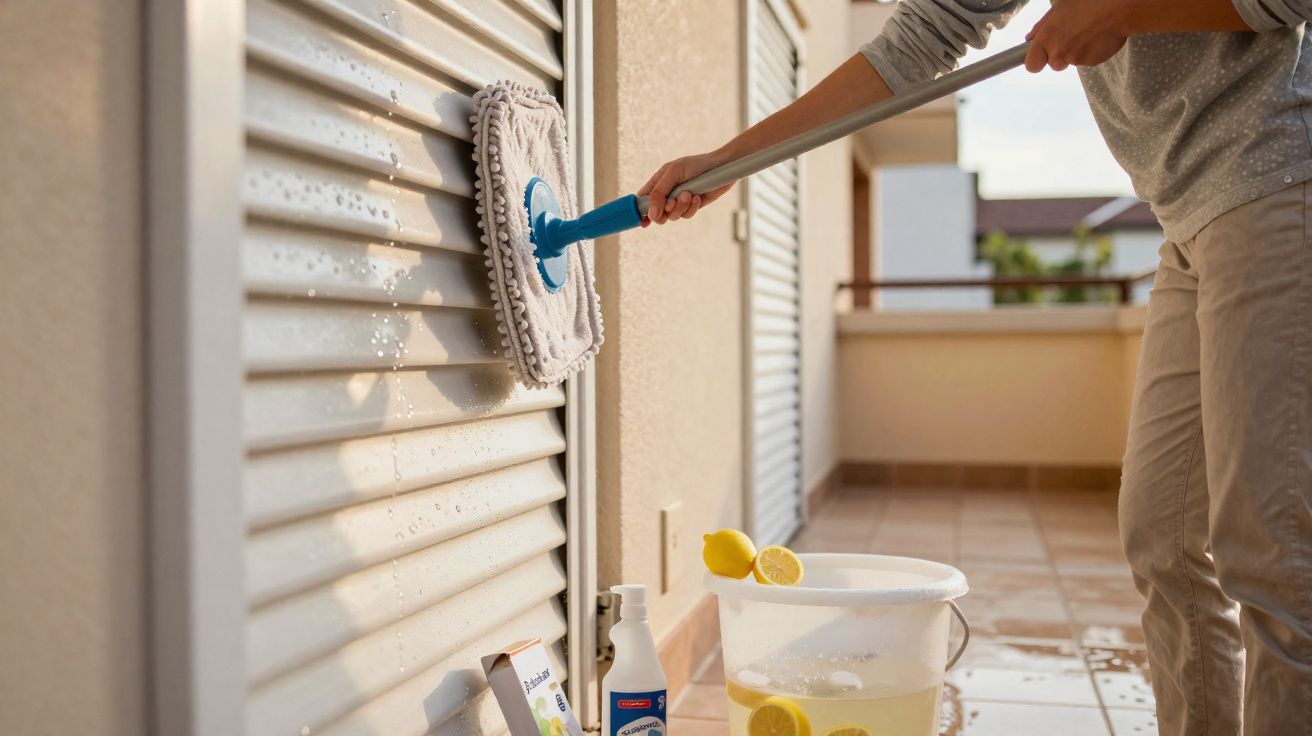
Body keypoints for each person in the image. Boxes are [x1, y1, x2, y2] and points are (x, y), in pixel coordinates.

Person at [640, 1, 1312, 733]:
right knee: (1164, 537)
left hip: (1278, 185)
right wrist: (734, 158)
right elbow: (920, 38)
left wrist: (1124, 9)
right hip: (1188, 220)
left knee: (1270, 551)